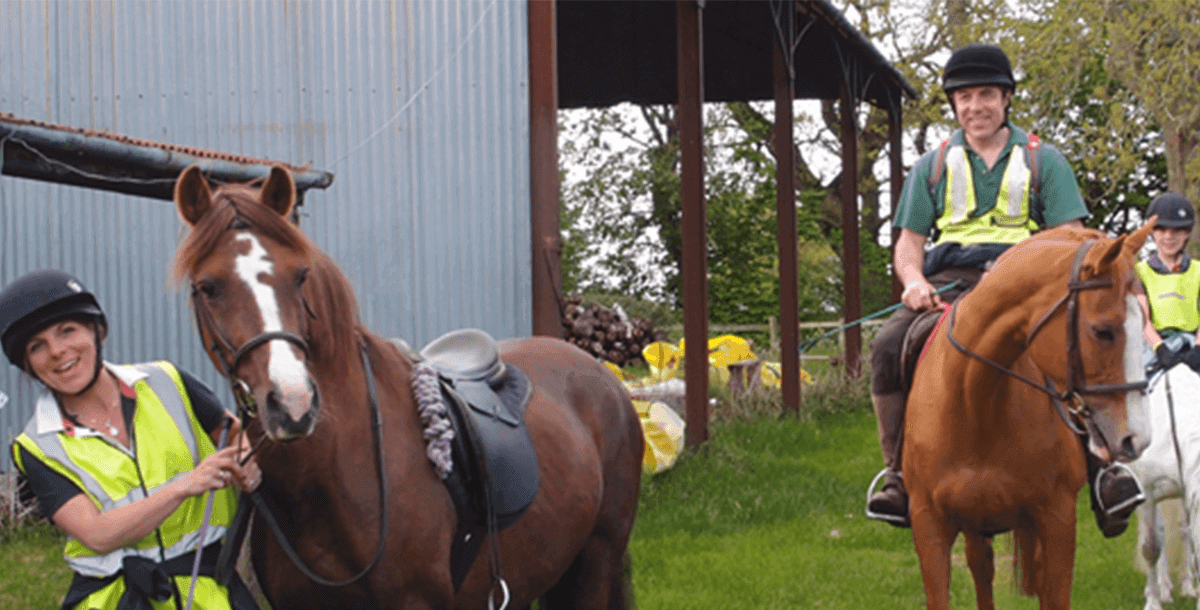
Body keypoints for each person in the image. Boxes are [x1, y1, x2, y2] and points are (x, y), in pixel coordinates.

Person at [866, 43, 1143, 536]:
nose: (976, 106)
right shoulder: (930, 166)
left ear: (1007, 98)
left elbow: (1073, 239)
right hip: (951, 283)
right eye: (965, 97)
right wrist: (914, 283)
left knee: (1071, 350)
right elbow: (909, 244)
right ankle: (899, 475)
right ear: (953, 104)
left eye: (987, 95)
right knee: (889, 346)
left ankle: (1105, 471)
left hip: (1027, 287)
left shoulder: (1046, 162)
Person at [2, 269, 262, 610]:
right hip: (113, 599)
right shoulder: (36, 446)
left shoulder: (169, 380)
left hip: (208, 588)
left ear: (97, 331)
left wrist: (246, 463)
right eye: (37, 346)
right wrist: (187, 484)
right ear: (28, 365)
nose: (57, 351)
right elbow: (96, 534)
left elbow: (233, 436)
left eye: (67, 331)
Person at [1136, 192, 1200, 371]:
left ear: (1187, 232)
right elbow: (1143, 319)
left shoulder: (1198, 270)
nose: (1168, 236)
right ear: (1152, 232)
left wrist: (1198, 349)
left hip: (1193, 346)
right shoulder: (1140, 272)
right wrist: (1161, 349)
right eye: (1161, 229)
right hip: (1155, 348)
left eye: (1177, 230)